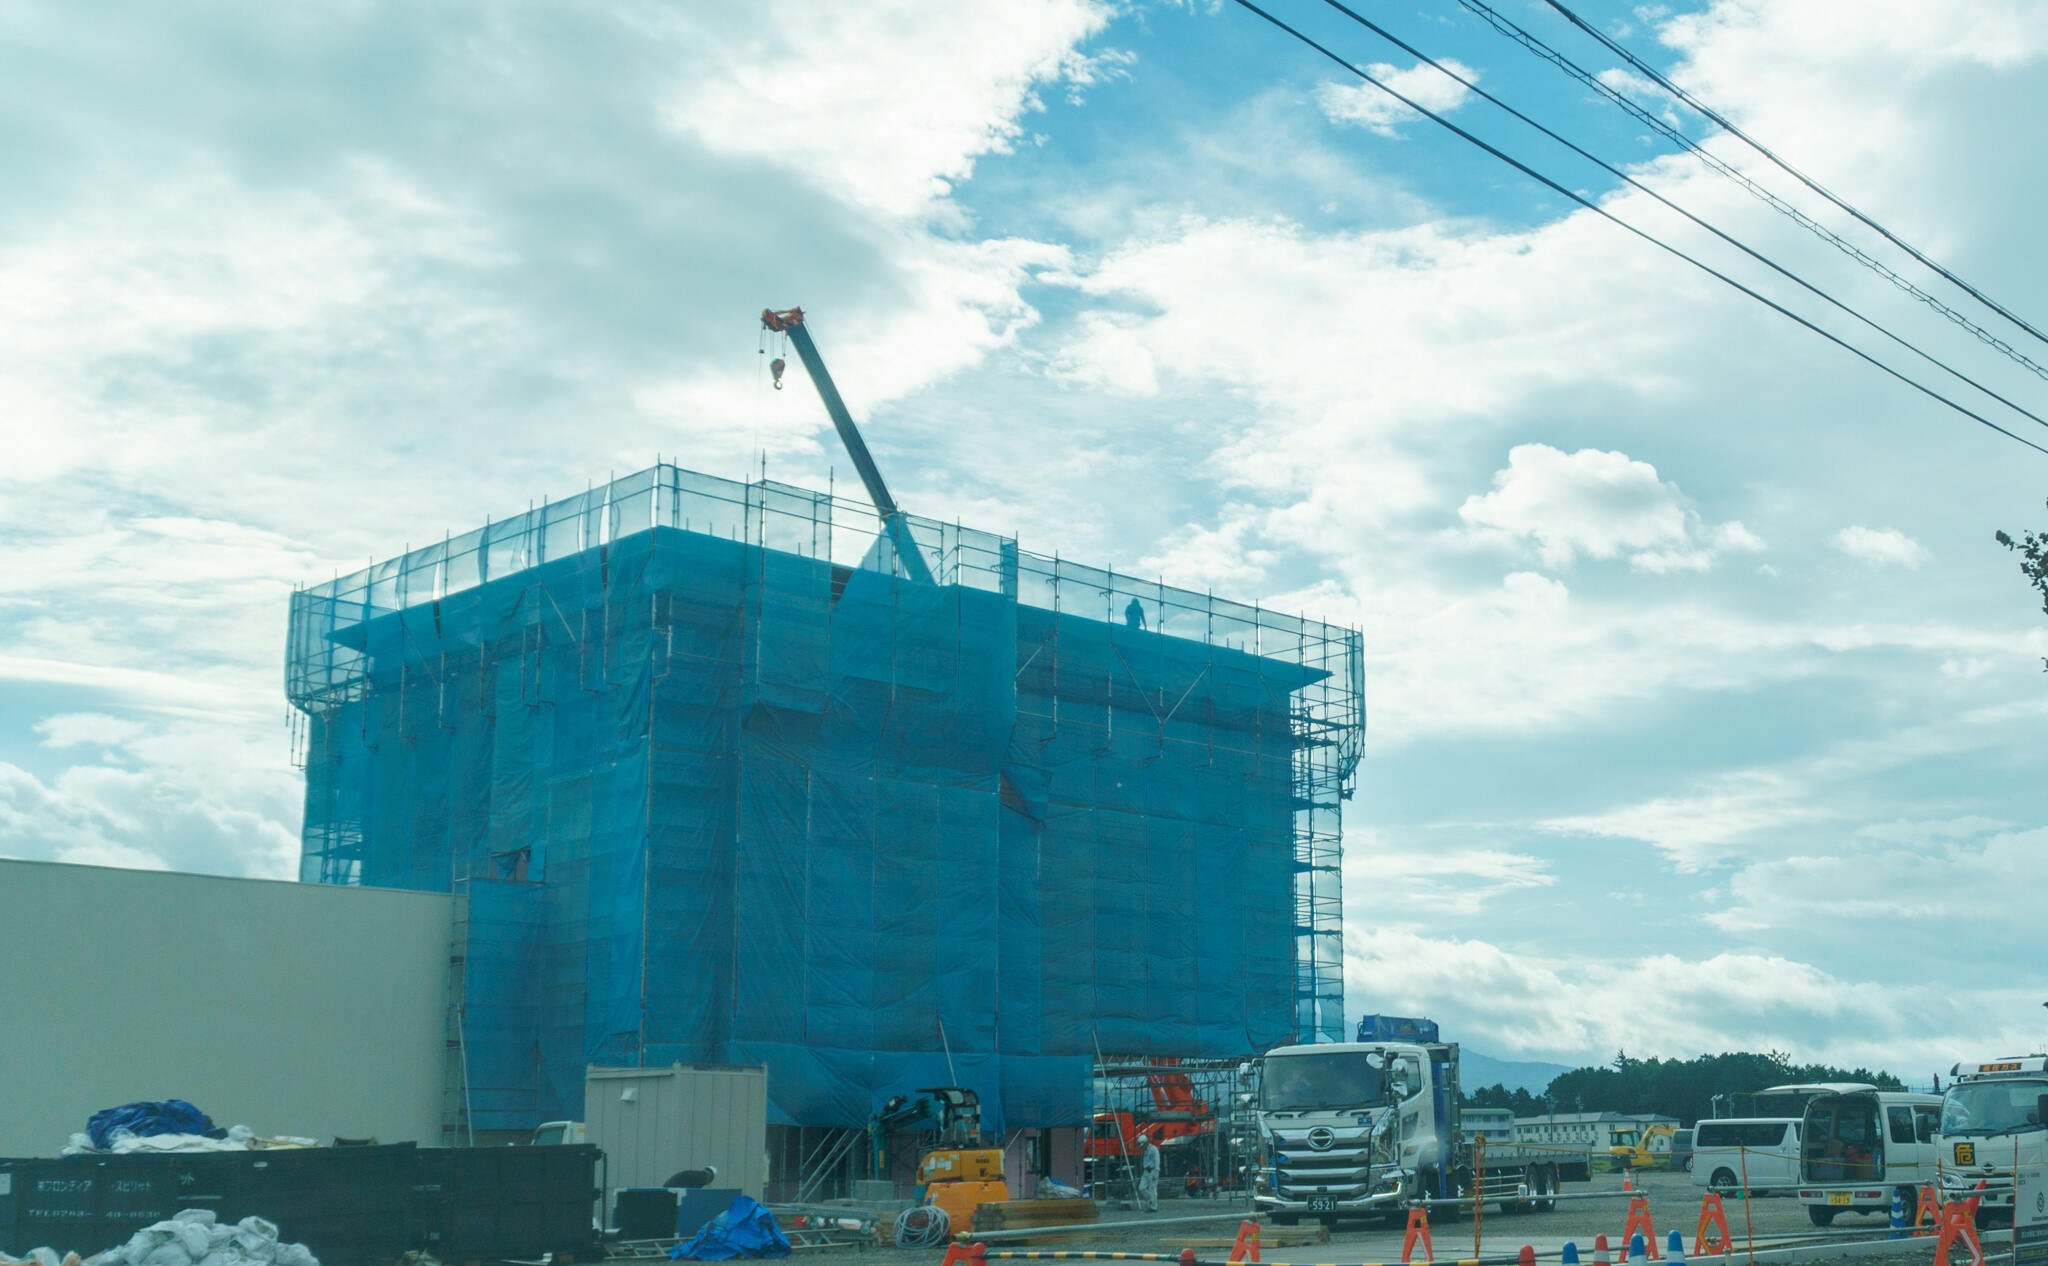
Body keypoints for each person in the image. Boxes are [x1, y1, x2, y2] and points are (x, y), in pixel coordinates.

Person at [1135, 1132, 1161, 1212]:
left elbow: (1157, 1160)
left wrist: (1156, 1171)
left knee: (1152, 1189)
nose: (1141, 1147)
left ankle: (1153, 1207)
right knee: (1141, 1188)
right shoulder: (1145, 1150)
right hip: (1146, 1171)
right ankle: (1151, 1200)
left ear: (1146, 1143)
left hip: (1152, 1170)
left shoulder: (1153, 1149)